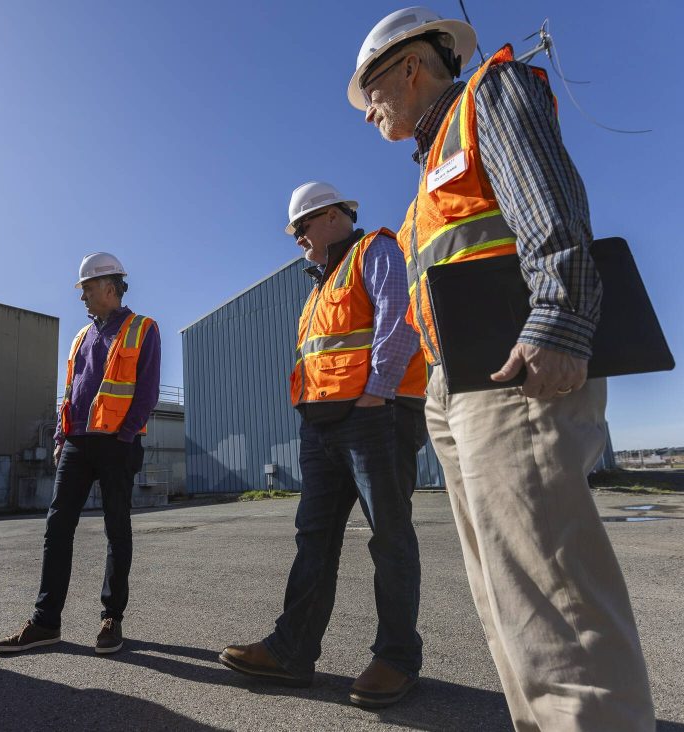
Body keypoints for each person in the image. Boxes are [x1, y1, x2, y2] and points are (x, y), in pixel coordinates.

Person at [348, 7, 654, 729]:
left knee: (552, 599)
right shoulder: (426, 177)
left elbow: (549, 205)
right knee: (508, 604)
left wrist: (559, 317)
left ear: (411, 66)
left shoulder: (491, 92)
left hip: (518, 370)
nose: (369, 115)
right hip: (461, 388)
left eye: (372, 93)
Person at [220, 182, 429, 709]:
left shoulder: (375, 250)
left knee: (389, 537)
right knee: (314, 539)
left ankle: (396, 657)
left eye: (300, 227)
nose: (295, 239)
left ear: (333, 215)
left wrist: (376, 395)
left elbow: (399, 318)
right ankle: (291, 652)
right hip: (323, 427)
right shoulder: (318, 286)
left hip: (375, 417)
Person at [0, 252, 160, 656]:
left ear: (108, 287)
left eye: (85, 288)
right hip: (76, 443)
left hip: (117, 444)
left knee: (116, 530)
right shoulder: (81, 337)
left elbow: (146, 391)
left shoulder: (142, 329)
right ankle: (45, 622)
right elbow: (69, 393)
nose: (81, 297)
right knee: (57, 528)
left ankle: (111, 618)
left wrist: (122, 438)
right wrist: (58, 438)